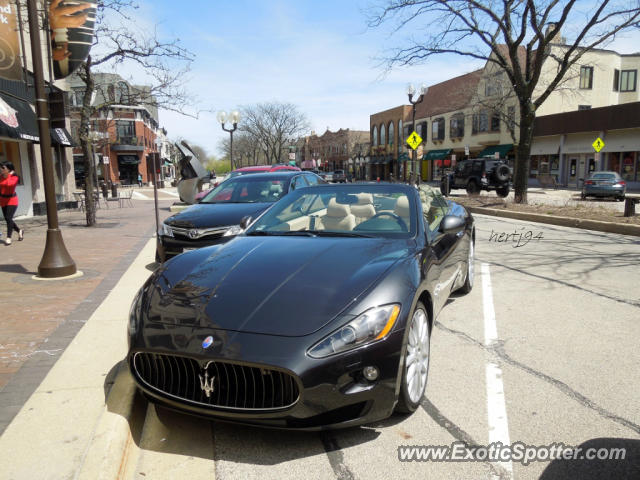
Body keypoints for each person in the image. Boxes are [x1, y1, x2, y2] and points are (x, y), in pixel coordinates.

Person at [0, 162, 23, 245]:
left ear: (9, 169)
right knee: (7, 219)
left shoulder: (14, 177)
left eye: (3, 168)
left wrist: (9, 175)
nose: (1, 169)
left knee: (9, 218)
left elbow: (9, 184)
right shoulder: (1, 177)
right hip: (3, 199)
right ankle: (19, 231)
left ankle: (8, 237)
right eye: (1, 168)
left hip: (12, 200)